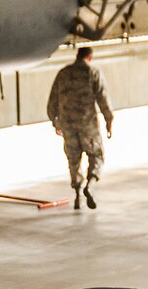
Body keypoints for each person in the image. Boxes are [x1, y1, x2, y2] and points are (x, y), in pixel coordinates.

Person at [47, 45, 114, 209]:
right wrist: (109, 121)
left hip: (68, 125)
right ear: (89, 57)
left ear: (77, 56)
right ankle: (89, 186)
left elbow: (52, 102)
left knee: (73, 160)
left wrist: (55, 122)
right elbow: (103, 99)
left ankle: (77, 195)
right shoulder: (92, 72)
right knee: (96, 155)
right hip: (87, 125)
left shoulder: (63, 73)